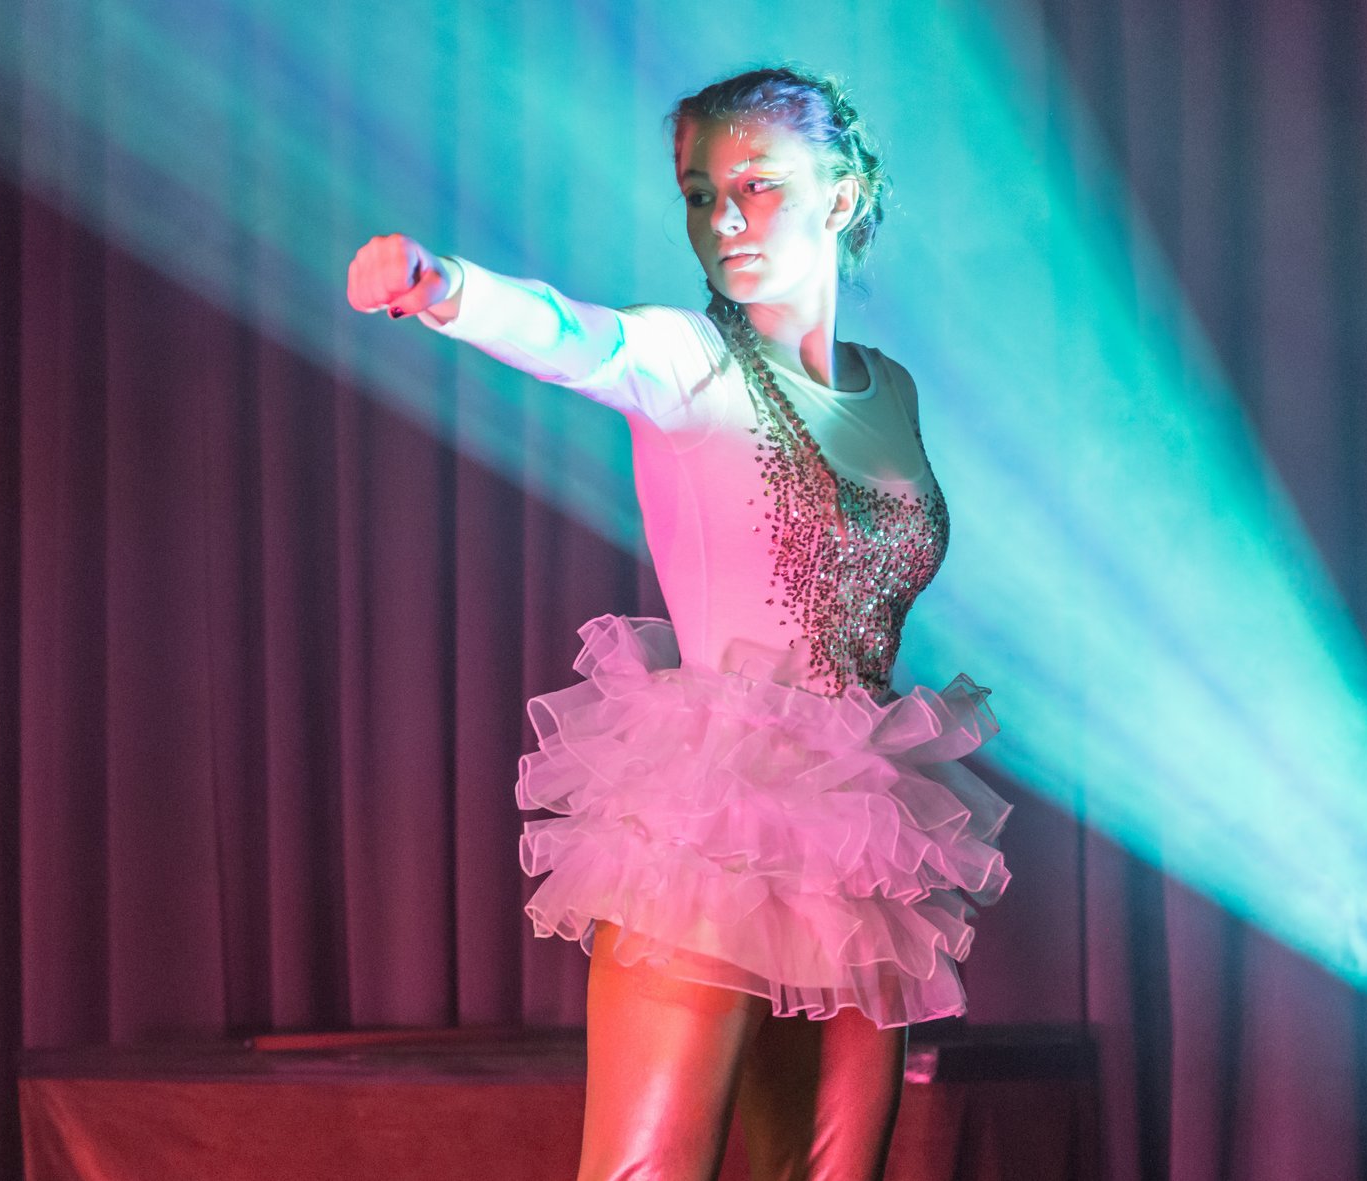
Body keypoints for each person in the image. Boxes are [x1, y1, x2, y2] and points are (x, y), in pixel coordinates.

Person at [347, 66, 1011, 1181]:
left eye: (757, 184)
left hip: (860, 828)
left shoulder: (889, 389)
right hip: (715, 817)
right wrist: (446, 285)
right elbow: (580, 337)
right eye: (701, 195)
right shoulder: (691, 358)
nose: (725, 219)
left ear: (841, 197)